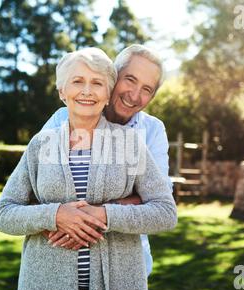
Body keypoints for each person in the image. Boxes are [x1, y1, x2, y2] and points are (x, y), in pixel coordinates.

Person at [0, 47, 177, 290]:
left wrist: (99, 216)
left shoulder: (133, 142)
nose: (87, 91)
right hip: (46, 288)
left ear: (106, 90)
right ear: (62, 91)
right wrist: (55, 215)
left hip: (118, 285)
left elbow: (164, 209)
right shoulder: (43, 142)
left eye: (97, 83)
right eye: (77, 82)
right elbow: (4, 213)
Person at [41, 44, 172, 277]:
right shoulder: (62, 120)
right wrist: (56, 216)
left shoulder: (152, 130)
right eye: (129, 79)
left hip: (127, 266)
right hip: (61, 264)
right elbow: (35, 190)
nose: (134, 95)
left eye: (147, 89)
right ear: (112, 76)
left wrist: (95, 214)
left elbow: (159, 199)